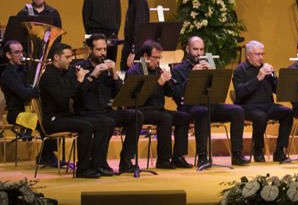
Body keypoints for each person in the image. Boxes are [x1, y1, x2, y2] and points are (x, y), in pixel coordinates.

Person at [170, 36, 249, 169]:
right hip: (190, 107)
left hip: (210, 104)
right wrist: (192, 77)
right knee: (202, 112)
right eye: (195, 49)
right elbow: (177, 94)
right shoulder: (179, 69)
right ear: (188, 49)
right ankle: (202, 157)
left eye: (201, 49)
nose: (199, 53)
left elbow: (218, 91)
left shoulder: (209, 65)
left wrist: (212, 73)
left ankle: (237, 154)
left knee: (237, 110)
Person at [74, 34, 142, 174]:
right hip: (87, 112)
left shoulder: (107, 67)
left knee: (136, 115)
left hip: (105, 110)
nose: (102, 53)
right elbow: (78, 95)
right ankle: (99, 163)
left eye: (104, 49)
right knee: (107, 122)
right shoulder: (80, 67)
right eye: (98, 49)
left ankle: (126, 160)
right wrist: (93, 74)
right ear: (90, 50)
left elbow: (120, 95)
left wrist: (114, 75)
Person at [39, 43, 108, 178]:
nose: (71, 60)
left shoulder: (65, 73)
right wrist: (79, 81)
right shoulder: (48, 76)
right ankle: (82, 169)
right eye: (68, 57)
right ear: (57, 57)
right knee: (85, 126)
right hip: (53, 120)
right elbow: (63, 99)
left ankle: (96, 164)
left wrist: (88, 78)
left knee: (103, 123)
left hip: (66, 116)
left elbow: (77, 94)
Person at [125, 40, 192, 169]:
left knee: (183, 117)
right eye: (155, 58)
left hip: (157, 109)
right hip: (141, 109)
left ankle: (178, 156)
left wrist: (169, 81)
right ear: (145, 57)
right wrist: (159, 83)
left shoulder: (157, 70)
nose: (158, 61)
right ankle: (163, 159)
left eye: (159, 58)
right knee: (165, 118)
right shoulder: (135, 71)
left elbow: (170, 93)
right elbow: (139, 97)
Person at [232, 40, 292, 163]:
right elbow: (240, 93)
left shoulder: (265, 69)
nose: (261, 57)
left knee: (288, 112)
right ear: (248, 56)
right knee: (261, 117)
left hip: (268, 105)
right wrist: (258, 78)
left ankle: (280, 151)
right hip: (247, 106)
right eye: (257, 54)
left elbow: (279, 91)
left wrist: (274, 77)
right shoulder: (240, 70)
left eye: (262, 54)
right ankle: (258, 150)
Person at [82, 0, 122, 64]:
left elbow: (118, 18)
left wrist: (114, 33)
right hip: (96, 38)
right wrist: (92, 38)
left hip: (111, 39)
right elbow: (86, 20)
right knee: (96, 66)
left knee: (110, 65)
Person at [119, 0, 150, 70]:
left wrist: (133, 51)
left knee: (133, 77)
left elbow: (140, 28)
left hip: (136, 51)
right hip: (133, 47)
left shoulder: (139, 0)